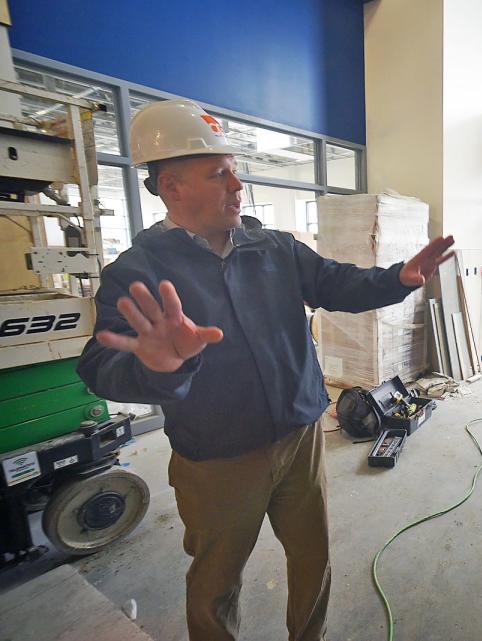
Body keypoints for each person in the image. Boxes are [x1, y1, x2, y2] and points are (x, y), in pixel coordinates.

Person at [76, 99, 454, 641]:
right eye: (218, 173)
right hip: (217, 459)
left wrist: (397, 278)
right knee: (216, 580)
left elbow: (335, 282)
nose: (237, 185)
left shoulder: (271, 246)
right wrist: (157, 366)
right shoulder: (138, 271)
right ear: (170, 187)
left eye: (234, 170)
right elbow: (99, 365)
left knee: (312, 557)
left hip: (301, 436)